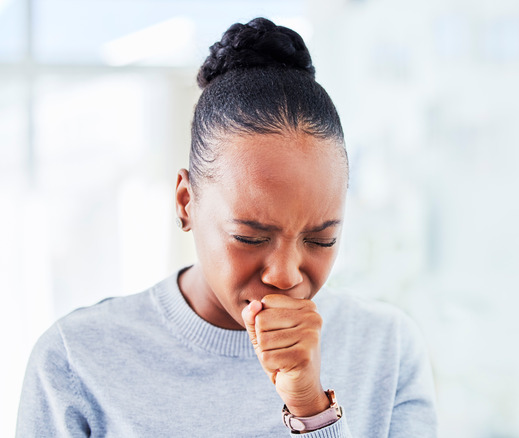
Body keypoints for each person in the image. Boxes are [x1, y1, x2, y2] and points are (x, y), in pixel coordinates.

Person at [16, 17, 437, 437]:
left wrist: (311, 408)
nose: (286, 275)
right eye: (250, 237)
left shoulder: (387, 348)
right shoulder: (77, 361)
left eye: (320, 239)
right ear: (186, 202)